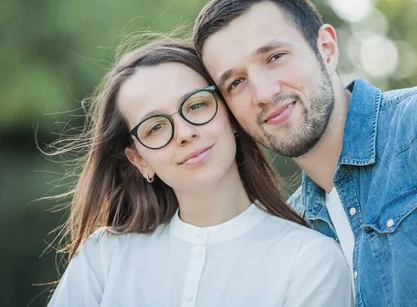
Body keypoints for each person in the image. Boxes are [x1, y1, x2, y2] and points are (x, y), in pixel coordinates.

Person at [192, 0, 417, 307]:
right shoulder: (293, 229)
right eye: (236, 83)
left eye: (275, 56)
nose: (263, 93)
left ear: (327, 49)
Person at [47, 39, 351, 307]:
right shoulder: (103, 257)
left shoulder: (311, 260)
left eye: (196, 105)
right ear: (140, 160)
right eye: (155, 127)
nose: (184, 133)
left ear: (230, 115)